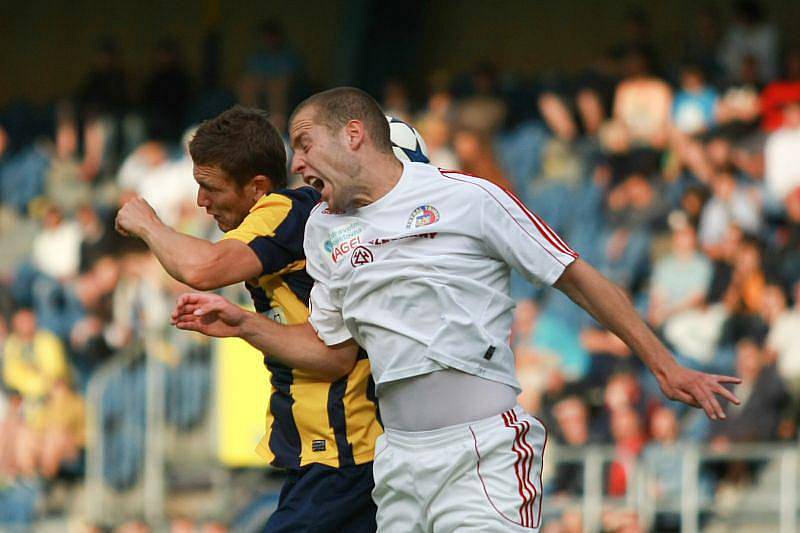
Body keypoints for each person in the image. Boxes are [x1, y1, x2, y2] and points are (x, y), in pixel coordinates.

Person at [172, 88, 742, 532]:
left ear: (353, 135)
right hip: (396, 461)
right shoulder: (324, 230)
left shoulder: (469, 198)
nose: (296, 165)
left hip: (482, 451)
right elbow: (332, 354)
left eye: (304, 144)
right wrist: (246, 324)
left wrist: (664, 364)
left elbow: (579, 277)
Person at [115, 106, 382, 532]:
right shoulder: (290, 226)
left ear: (257, 187)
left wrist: (148, 224)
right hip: (330, 454)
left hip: (343, 449)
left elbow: (202, 270)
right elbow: (325, 347)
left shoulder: (281, 210)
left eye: (210, 188)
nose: (202, 201)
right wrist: (241, 324)